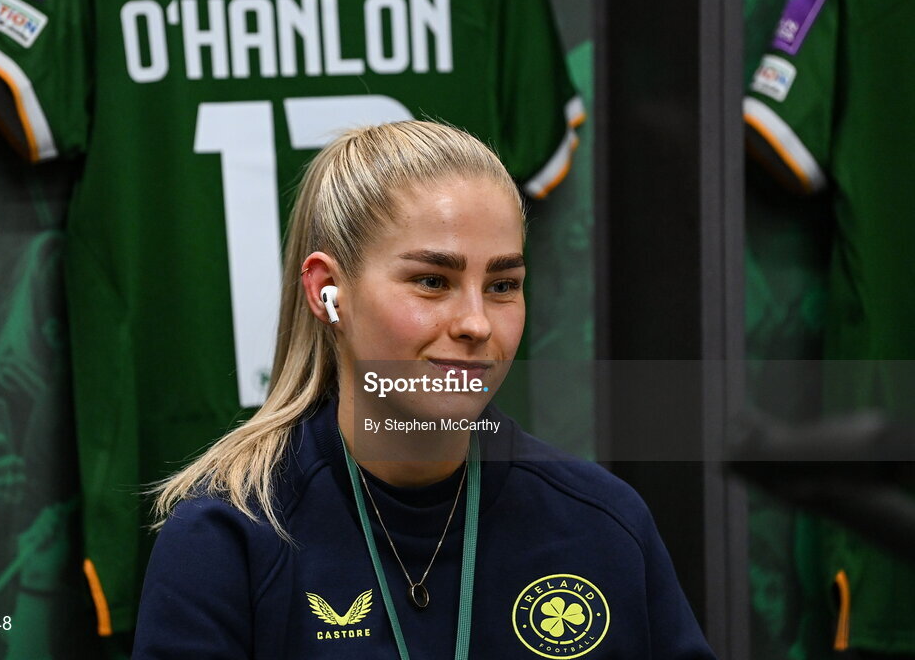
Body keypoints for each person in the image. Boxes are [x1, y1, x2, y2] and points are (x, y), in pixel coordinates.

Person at [132, 121, 715, 659]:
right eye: (433, 281)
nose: (477, 323)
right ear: (328, 293)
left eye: (503, 284)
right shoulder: (227, 537)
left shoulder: (600, 521)